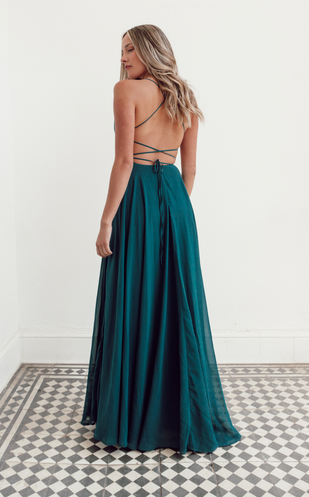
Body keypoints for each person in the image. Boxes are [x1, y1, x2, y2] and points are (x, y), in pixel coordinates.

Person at [80, 24, 242, 455]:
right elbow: (190, 171)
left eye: (130, 49)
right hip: (175, 202)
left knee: (134, 297)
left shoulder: (125, 91)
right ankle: (175, 411)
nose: (123, 57)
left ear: (151, 51)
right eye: (122, 50)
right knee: (174, 301)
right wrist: (171, 213)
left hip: (136, 199)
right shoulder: (185, 97)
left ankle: (133, 414)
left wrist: (106, 221)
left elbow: (123, 161)